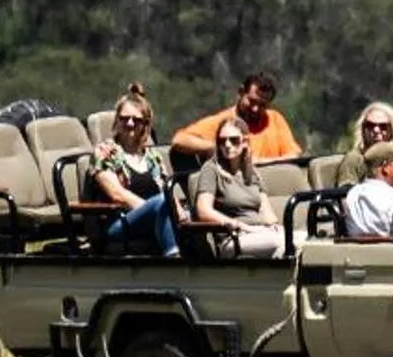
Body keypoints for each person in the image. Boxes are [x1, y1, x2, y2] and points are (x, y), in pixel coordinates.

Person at [89, 86, 180, 258]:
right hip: (119, 223)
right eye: (124, 119)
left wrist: (176, 210)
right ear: (117, 121)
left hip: (156, 217)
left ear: (145, 125)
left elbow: (166, 189)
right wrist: (156, 209)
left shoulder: (153, 156)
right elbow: (117, 194)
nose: (130, 124)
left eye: (136, 120)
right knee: (162, 203)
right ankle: (174, 261)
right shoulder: (104, 152)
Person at [188, 117, 283, 259]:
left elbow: (266, 210)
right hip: (233, 237)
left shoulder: (252, 171)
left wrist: (275, 225)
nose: (227, 145)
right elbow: (203, 210)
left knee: (303, 239)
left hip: (261, 231)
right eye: (222, 141)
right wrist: (237, 224)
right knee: (281, 243)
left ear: (245, 142)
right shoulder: (211, 169)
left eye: (234, 140)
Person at [172, 72, 302, 171]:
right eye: (251, 101)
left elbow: (292, 156)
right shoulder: (224, 121)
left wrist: (258, 162)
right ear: (241, 93)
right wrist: (221, 148)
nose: (255, 109)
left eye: (262, 105)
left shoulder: (274, 119)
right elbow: (179, 140)